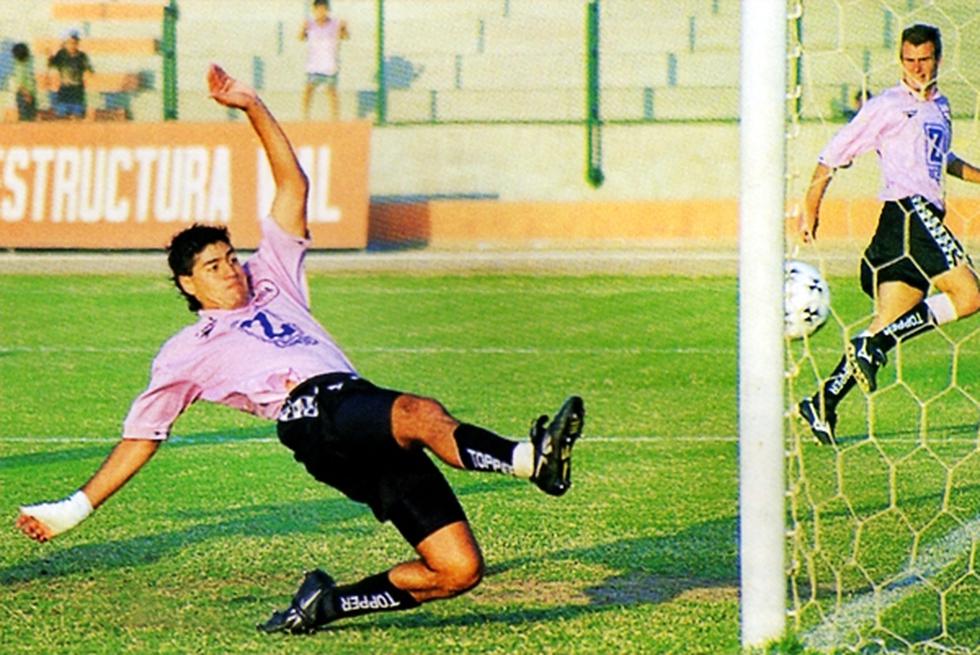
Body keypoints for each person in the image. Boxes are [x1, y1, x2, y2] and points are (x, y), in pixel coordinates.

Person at [15, 63, 586, 635]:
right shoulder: (186, 351)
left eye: (231, 258)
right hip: (312, 415)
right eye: (213, 267)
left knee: (458, 569)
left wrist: (252, 105)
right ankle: (528, 460)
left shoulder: (273, 277)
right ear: (188, 284)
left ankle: (325, 605)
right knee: (418, 412)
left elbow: (293, 185)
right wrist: (72, 510)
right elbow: (142, 438)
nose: (231, 271)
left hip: (356, 413)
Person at [796, 23, 980, 445]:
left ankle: (823, 402)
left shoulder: (941, 107)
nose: (917, 68)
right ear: (901, 60)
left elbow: (943, 158)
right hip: (908, 213)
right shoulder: (887, 106)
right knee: (970, 296)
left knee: (888, 324)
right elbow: (832, 154)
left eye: (924, 59)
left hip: (910, 224)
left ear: (938, 59)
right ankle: (873, 346)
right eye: (909, 60)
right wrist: (811, 208)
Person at [300, 0, 349, 121]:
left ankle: (335, 117)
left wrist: (344, 29)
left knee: (331, 91)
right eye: (318, 10)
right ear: (314, 11)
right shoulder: (310, 24)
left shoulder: (335, 24)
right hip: (314, 64)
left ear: (327, 10)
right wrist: (302, 29)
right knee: (309, 89)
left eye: (323, 10)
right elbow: (301, 37)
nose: (321, 13)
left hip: (329, 64)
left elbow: (345, 37)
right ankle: (305, 116)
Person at [47, 30, 94, 120]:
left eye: (74, 43)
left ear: (78, 44)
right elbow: (52, 64)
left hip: (77, 90)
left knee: (77, 115)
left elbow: (89, 70)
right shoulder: (61, 54)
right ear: (65, 44)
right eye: (69, 43)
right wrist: (49, 56)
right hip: (64, 89)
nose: (72, 45)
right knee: (62, 115)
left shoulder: (82, 56)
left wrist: (90, 79)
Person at [10, 42, 38, 121]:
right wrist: (27, 95)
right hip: (24, 94)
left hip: (30, 93)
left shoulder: (26, 63)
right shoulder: (19, 67)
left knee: (31, 116)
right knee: (25, 117)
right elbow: (20, 85)